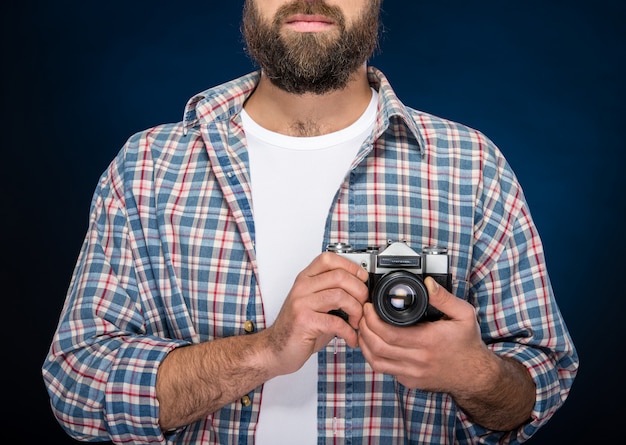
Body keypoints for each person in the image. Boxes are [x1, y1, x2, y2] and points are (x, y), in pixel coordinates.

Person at [42, 1, 579, 444]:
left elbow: (544, 376)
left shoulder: (472, 166)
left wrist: (476, 374)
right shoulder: (149, 169)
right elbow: (76, 383)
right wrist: (266, 351)